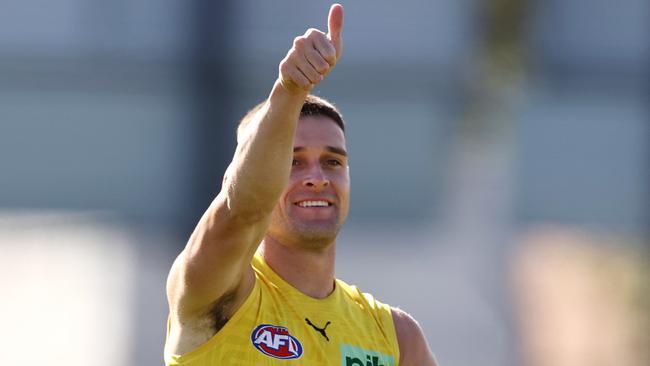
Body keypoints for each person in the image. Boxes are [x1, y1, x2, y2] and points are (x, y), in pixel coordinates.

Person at [164, 4, 437, 365]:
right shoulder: (216, 290)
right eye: (292, 161)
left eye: (333, 161)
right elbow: (243, 209)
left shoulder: (395, 336)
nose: (316, 177)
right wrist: (289, 90)